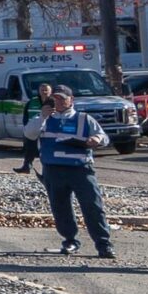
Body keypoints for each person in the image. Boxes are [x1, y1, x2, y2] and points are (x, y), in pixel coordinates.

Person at [25, 84, 115, 260]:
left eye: (62, 99)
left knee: (93, 206)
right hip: (53, 169)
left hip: (81, 169)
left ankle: (104, 244)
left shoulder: (84, 119)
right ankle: (70, 240)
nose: (58, 102)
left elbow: (103, 137)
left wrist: (96, 139)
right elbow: (29, 134)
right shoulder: (43, 119)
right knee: (60, 208)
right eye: (55, 99)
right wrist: (42, 116)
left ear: (71, 100)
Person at [16, 83, 44, 173]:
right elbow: (26, 115)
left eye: (46, 90)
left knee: (44, 150)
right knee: (29, 149)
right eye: (42, 90)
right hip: (33, 128)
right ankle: (26, 167)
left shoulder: (53, 102)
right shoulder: (32, 101)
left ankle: (46, 170)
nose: (44, 92)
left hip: (47, 130)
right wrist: (26, 126)